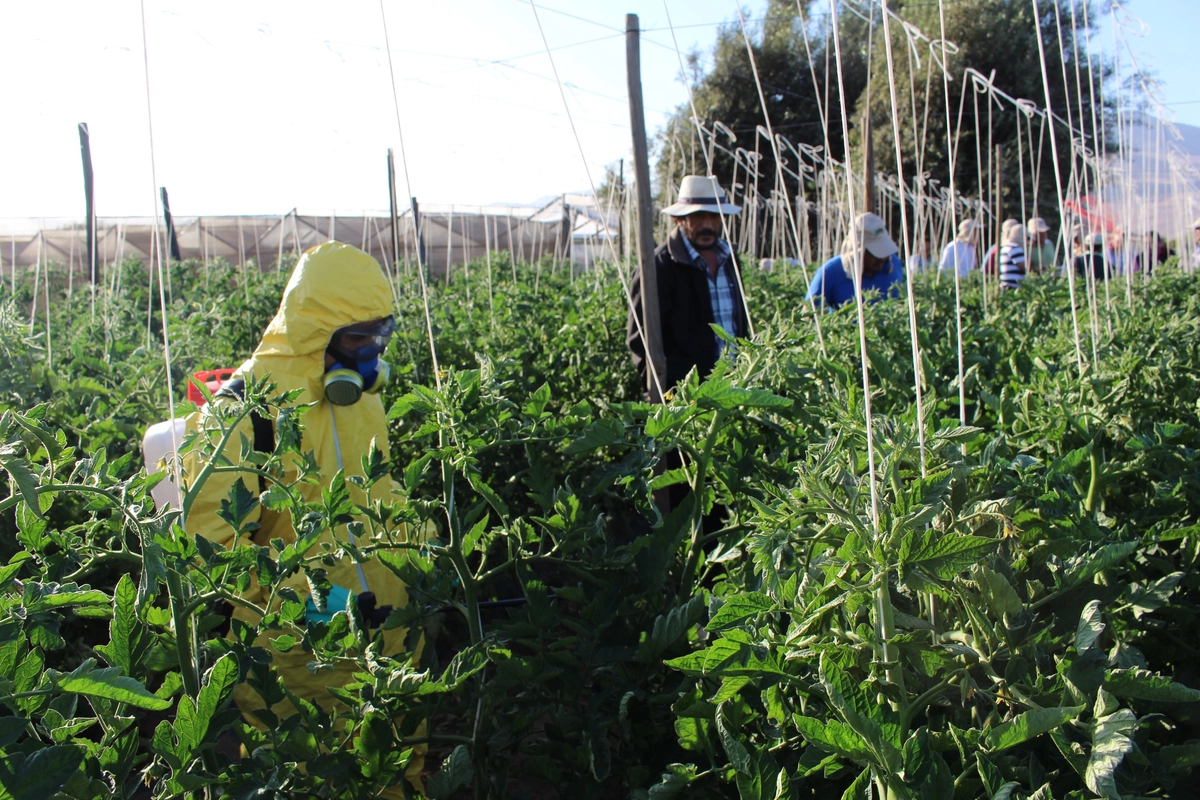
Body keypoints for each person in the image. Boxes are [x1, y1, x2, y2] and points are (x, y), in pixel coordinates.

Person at [183, 241, 423, 794]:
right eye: (358, 338)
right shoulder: (244, 418)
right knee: (311, 775)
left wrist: (423, 558)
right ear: (317, 334)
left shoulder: (363, 402)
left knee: (397, 768)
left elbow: (384, 500)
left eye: (379, 336)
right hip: (295, 662)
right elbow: (209, 566)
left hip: (386, 635)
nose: (371, 354)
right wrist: (318, 602)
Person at [627, 175, 748, 392]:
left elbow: (739, 321)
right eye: (698, 218)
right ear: (679, 219)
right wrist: (665, 391)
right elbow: (640, 341)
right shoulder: (657, 268)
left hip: (734, 385)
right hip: (687, 393)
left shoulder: (729, 258)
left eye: (714, 217)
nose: (707, 226)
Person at [806, 212, 904, 311]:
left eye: (885, 251)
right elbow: (809, 312)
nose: (882, 258)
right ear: (857, 252)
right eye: (876, 253)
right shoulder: (829, 273)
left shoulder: (894, 263)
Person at [999, 222, 1027, 291]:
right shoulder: (1015, 248)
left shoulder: (1006, 247)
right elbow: (1024, 267)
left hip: (1006, 285)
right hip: (1012, 286)